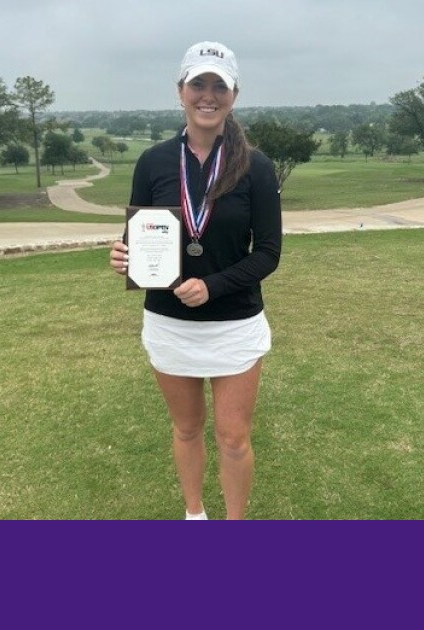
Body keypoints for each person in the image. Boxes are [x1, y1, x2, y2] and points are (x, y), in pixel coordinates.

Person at [109, 41, 282, 520]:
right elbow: (139, 232)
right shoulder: (154, 162)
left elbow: (268, 253)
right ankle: (194, 516)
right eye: (198, 84)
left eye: (219, 86)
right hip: (169, 322)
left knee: (233, 437)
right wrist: (124, 254)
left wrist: (215, 285)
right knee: (186, 430)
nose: (208, 95)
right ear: (180, 91)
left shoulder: (256, 166)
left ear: (234, 95)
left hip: (234, 323)